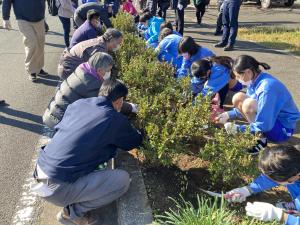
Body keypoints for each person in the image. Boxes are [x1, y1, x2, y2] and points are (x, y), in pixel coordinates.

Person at [33, 79, 143, 225]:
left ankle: (71, 197)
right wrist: (140, 132)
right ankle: (71, 213)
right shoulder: (113, 119)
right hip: (55, 188)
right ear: (119, 101)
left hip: (39, 174)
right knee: (122, 180)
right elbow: (134, 141)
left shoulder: (78, 104)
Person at [217, 55, 300, 155]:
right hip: (273, 120)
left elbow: (265, 125)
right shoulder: (255, 80)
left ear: (248, 71)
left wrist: (238, 129)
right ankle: (257, 134)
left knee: (248, 104)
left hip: (283, 130)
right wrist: (228, 114)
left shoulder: (266, 88)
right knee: (238, 97)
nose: (238, 80)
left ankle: (261, 141)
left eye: (239, 76)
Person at [225, 144, 300, 225]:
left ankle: (297, 207)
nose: (269, 180)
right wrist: (247, 190)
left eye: (276, 181)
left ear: (294, 177)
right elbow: (268, 179)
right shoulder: (292, 159)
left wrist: (281, 216)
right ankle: (296, 205)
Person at [2, 0, 48, 82]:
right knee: (32, 43)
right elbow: (6, 1)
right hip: (23, 18)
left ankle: (39, 67)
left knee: (40, 44)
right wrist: (5, 18)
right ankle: (32, 70)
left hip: (39, 18)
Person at [57, 28, 123, 80]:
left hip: (66, 65)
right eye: (118, 43)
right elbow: (98, 72)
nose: (118, 46)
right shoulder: (100, 49)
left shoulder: (100, 41)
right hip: (68, 70)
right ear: (111, 40)